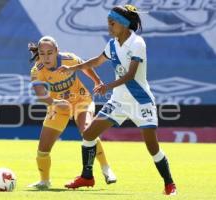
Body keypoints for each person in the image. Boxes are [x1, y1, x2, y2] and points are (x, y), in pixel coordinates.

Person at [58, 5, 177, 195]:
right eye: (108, 22)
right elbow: (95, 62)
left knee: (153, 148)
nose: (109, 26)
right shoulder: (112, 44)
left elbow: (130, 75)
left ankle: (169, 184)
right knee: (88, 135)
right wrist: (73, 68)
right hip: (119, 101)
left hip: (140, 101)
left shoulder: (138, 43)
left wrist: (106, 86)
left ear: (124, 24)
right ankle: (87, 177)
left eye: (112, 23)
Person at [28, 36, 116, 189]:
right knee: (43, 150)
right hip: (58, 107)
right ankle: (44, 181)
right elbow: (39, 92)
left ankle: (106, 168)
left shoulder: (70, 59)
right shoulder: (37, 69)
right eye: (42, 53)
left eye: (50, 52)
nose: (46, 57)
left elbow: (85, 67)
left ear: (57, 51)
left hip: (81, 100)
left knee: (87, 131)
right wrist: (54, 103)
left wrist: (97, 81)